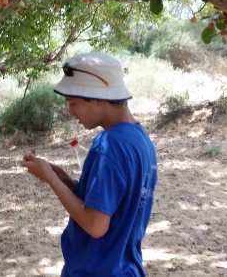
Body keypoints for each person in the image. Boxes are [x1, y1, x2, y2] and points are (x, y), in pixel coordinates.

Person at [21, 52, 158, 276]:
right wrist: (63, 179)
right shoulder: (140, 140)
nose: (70, 111)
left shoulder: (109, 144)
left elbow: (95, 225)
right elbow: (108, 207)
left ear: (99, 98)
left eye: (73, 103)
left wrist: (51, 179)